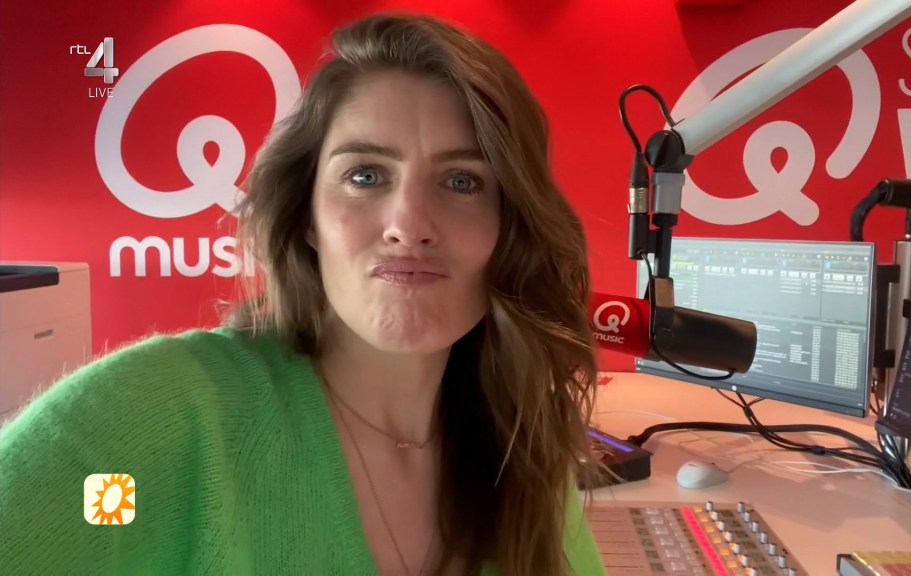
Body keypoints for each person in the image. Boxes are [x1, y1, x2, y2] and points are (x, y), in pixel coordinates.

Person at [0, 12, 607, 576]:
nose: (409, 224)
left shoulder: (523, 445)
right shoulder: (156, 425)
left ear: (510, 227)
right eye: (365, 175)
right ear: (307, 216)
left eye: (462, 181)